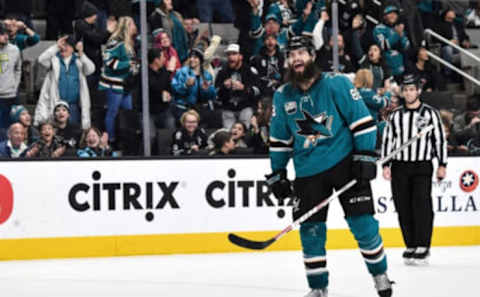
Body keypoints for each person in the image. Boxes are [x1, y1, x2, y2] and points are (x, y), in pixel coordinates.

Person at [267, 36, 392, 297]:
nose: (296, 58)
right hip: (307, 172)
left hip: (345, 163)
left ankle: (380, 274)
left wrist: (366, 155)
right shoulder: (282, 95)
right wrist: (278, 172)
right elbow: (280, 140)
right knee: (311, 232)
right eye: (292, 54)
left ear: (312, 56)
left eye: (302, 52)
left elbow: (362, 122)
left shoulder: (336, 84)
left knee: (363, 224)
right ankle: (318, 288)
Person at [381, 74, 447, 266]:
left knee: (421, 205)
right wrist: (386, 164)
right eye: (406, 89)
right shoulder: (395, 115)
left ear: (418, 91)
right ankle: (410, 244)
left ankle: (423, 245)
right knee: (403, 206)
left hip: (422, 165)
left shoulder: (430, 113)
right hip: (400, 166)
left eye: (412, 89)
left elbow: (439, 139)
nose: (409, 93)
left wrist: (442, 164)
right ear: (402, 92)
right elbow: (388, 140)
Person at [34, 35, 94, 130]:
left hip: (73, 106)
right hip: (57, 105)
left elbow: (91, 69)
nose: (63, 48)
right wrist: (56, 46)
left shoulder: (79, 60)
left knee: (74, 132)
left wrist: (81, 53)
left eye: (67, 45)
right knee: (57, 132)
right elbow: (41, 60)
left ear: (72, 48)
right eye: (62, 45)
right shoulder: (54, 60)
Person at [99, 16, 138, 146]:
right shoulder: (115, 42)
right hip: (113, 84)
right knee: (112, 112)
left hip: (126, 85)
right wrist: (128, 64)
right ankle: (111, 141)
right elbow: (109, 61)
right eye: (132, 24)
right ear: (126, 27)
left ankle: (127, 141)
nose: (135, 26)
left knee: (127, 113)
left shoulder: (131, 42)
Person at [215, 43, 261, 129]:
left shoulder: (250, 71)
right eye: (229, 54)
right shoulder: (222, 72)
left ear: (241, 56)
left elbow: (258, 91)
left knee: (244, 130)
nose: (231, 57)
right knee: (228, 134)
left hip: (245, 107)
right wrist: (223, 87)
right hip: (228, 108)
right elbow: (216, 93)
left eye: (234, 54)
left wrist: (244, 88)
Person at [171, 45, 218, 128]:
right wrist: (185, 85)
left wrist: (207, 89)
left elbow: (212, 96)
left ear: (200, 60)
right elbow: (174, 90)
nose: (192, 60)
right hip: (184, 110)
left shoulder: (207, 75)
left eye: (195, 58)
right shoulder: (182, 72)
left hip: (200, 110)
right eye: (191, 57)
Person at [373, 5, 410, 78]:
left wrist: (401, 35)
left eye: (395, 13)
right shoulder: (379, 28)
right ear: (384, 16)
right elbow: (383, 46)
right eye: (390, 13)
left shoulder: (398, 28)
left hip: (402, 69)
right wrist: (397, 35)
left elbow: (406, 46)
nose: (393, 15)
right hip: (387, 70)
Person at [353, 69, 391, 139]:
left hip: (356, 127)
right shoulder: (366, 93)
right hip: (368, 129)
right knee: (387, 124)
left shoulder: (354, 91)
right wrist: (388, 91)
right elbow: (385, 103)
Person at [249, 33, 286, 97]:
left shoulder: (282, 57)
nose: (270, 41)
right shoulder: (257, 59)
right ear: (264, 42)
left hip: (280, 90)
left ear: (276, 41)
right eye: (267, 39)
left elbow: (285, 75)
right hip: (263, 92)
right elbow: (253, 77)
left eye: (272, 39)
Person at [0, 22, 21, 132]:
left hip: (10, 95)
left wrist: (14, 86)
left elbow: (18, 69)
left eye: (7, 33)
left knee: (9, 128)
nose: (6, 36)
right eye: (2, 34)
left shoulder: (14, 50)